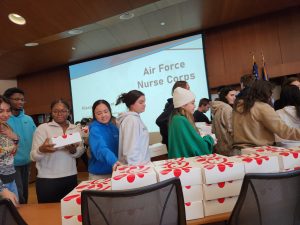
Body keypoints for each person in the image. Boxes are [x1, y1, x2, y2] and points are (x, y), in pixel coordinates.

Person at [30, 99, 84, 203]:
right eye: (55, 111)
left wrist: (73, 150)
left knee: (70, 212)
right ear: (51, 112)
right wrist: (42, 150)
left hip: (70, 177)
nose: (59, 114)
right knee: (48, 214)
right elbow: (32, 156)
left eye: (63, 111)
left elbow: (80, 151)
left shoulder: (75, 128)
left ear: (68, 112)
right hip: (47, 180)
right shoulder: (42, 128)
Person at [233, 80, 300, 151]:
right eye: (271, 92)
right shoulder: (262, 108)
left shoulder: (238, 107)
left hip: (239, 150)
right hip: (258, 151)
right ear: (266, 93)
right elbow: (283, 131)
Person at [3, 87, 36, 204]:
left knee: (25, 193)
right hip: (11, 164)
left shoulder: (28, 119)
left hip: (26, 162)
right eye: (16, 99)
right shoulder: (4, 120)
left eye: (22, 99)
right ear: (7, 100)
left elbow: (35, 138)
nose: (20, 102)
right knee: (18, 194)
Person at [168, 87, 214, 158]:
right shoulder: (181, 120)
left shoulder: (175, 118)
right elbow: (198, 147)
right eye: (192, 103)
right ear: (183, 105)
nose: (194, 106)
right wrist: (210, 139)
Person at [88, 100, 120, 180]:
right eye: (99, 113)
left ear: (110, 111)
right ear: (94, 115)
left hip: (116, 171)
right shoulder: (95, 129)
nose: (103, 115)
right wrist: (114, 161)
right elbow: (101, 148)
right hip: (99, 175)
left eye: (106, 111)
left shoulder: (113, 127)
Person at [116, 90, 150, 165]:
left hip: (140, 166)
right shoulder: (131, 120)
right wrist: (136, 170)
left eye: (144, 102)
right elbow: (130, 150)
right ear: (132, 104)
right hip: (136, 168)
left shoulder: (135, 118)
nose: (144, 104)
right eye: (140, 102)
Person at [156, 81, 190, 149]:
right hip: (175, 144)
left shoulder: (176, 104)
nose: (190, 91)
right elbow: (159, 121)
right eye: (188, 88)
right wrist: (172, 136)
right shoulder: (174, 105)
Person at [0, 95, 19, 206]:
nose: (6, 114)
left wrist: (15, 138)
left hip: (10, 179)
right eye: (1, 111)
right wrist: (3, 190)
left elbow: (13, 152)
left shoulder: (6, 126)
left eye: (8, 111)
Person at [211, 87, 236, 156]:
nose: (234, 98)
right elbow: (231, 129)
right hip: (229, 147)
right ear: (225, 96)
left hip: (220, 147)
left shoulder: (217, 108)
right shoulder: (227, 109)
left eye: (235, 95)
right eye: (231, 95)